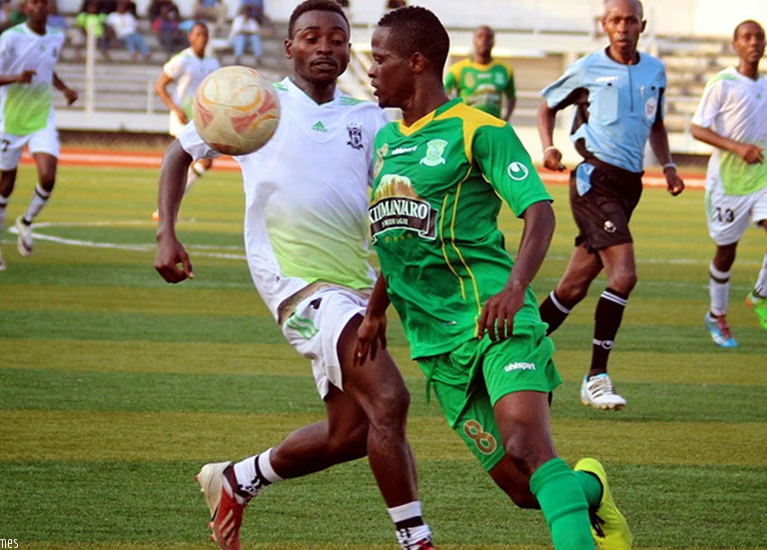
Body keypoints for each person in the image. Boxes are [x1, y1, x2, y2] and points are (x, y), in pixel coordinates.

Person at [153, 1, 435, 549]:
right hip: (298, 286)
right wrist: (167, 232)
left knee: (351, 434)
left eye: (336, 39)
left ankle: (238, 478)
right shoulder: (257, 107)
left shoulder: (372, 120)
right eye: (311, 38)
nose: (325, 47)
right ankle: (415, 541)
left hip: (355, 286)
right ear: (290, 48)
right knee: (391, 400)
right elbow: (177, 154)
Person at [360, 6, 632, 550]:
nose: (371, 69)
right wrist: (374, 310)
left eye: (380, 58)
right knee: (524, 487)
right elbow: (398, 239)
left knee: (527, 446)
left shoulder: (479, 130)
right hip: (436, 345)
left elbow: (540, 212)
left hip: (495, 320)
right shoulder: (386, 144)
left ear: (416, 63)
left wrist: (514, 288)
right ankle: (592, 489)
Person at [536, 0, 685, 410]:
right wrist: (549, 146)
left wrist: (669, 165)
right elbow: (547, 104)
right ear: (604, 25)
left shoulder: (655, 70)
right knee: (624, 276)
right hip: (593, 180)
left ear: (642, 24)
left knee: (573, 287)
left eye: (630, 20)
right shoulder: (587, 68)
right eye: (616, 20)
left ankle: (514, 347)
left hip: (629, 186)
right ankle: (596, 376)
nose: (623, 27)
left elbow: (655, 123)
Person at [0, 0, 78, 271]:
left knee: (48, 177)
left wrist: (65, 89)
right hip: (11, 121)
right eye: (34, 2)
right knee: (6, 184)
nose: (39, 7)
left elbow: (47, 69)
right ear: (25, 8)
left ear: (49, 8)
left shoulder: (56, 37)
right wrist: (15, 78)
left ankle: (25, 221)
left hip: (41, 118)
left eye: (44, 3)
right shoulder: (11, 37)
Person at [690, 20, 767, 344]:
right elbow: (697, 129)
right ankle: (716, 314)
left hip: (762, 177)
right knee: (726, 251)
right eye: (746, 37)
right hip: (727, 184)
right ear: (735, 45)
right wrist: (738, 147)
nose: (754, 42)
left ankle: (761, 294)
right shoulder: (722, 83)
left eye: (759, 37)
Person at [151, 21, 219, 221]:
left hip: (202, 119)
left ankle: (166, 207)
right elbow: (160, 85)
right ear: (190, 37)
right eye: (198, 35)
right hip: (183, 117)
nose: (202, 39)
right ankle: (166, 208)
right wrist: (175, 109)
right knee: (186, 161)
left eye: (205, 35)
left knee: (204, 163)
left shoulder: (212, 62)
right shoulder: (182, 60)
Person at [444, 25, 516, 121]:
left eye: (488, 37)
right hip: (468, 125)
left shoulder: (504, 70)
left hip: (493, 125)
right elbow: (442, 92)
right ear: (474, 41)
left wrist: (506, 117)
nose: (484, 41)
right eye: (480, 37)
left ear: (493, 42)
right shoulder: (458, 69)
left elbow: (511, 97)